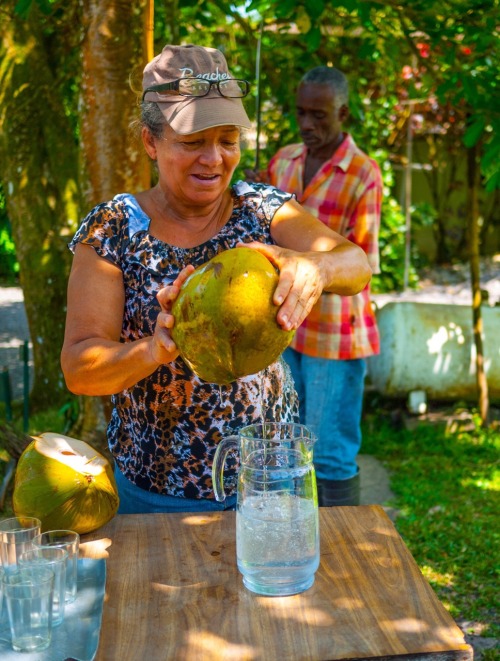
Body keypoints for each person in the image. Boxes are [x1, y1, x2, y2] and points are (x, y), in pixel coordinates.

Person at [61, 45, 372, 515]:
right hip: (155, 494)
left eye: (228, 140)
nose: (213, 159)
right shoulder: (114, 229)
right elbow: (80, 369)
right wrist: (156, 347)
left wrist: (317, 267)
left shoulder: (262, 209)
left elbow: (356, 264)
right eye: (192, 142)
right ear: (151, 141)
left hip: (267, 480)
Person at [248, 66, 382, 506]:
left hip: (334, 332)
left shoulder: (363, 173)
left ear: (342, 112)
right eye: (301, 113)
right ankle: (292, 534)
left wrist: (310, 266)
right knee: (284, 443)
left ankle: (344, 547)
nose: (307, 124)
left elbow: (361, 261)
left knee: (329, 452)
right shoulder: (283, 161)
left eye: (319, 115)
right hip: (285, 323)